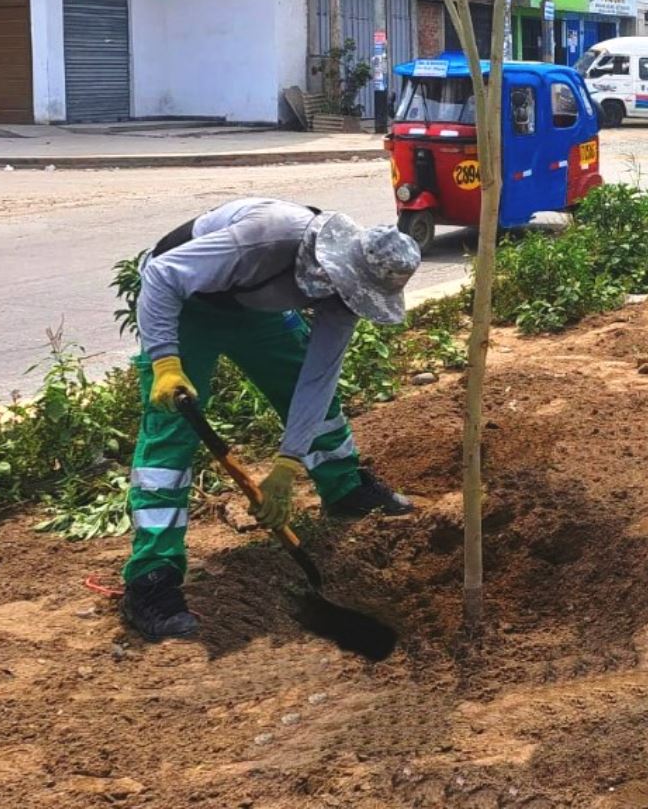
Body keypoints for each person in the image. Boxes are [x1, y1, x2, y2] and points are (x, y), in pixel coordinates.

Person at [119, 198, 422, 641]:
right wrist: (166, 361)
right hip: (185, 305)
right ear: (332, 268)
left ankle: (344, 489)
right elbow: (161, 276)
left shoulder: (345, 294)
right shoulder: (269, 236)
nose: (346, 302)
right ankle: (151, 579)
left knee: (305, 389)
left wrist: (288, 463)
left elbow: (317, 378)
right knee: (171, 438)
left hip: (254, 313)